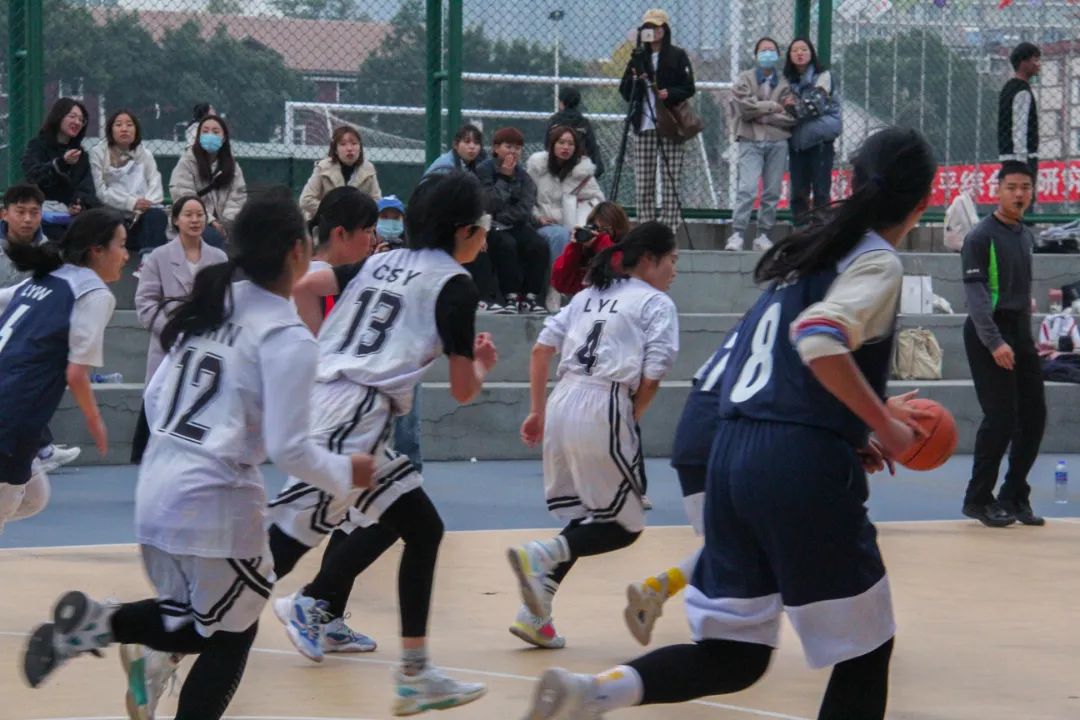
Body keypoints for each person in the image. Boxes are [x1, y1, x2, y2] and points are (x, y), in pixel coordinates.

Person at [521, 127, 937, 720]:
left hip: (733, 453)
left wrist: (848, 428)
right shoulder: (874, 259)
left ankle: (594, 692)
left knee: (734, 656)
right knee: (866, 651)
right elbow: (817, 338)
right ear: (925, 200)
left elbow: (772, 366)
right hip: (797, 461)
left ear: (851, 180)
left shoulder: (808, 255)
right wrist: (884, 426)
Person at [21, 189, 377, 720]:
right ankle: (98, 624)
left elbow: (156, 396)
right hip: (214, 501)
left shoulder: (210, 307)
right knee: (231, 633)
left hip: (156, 491)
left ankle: (94, 625)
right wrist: (348, 471)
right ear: (297, 252)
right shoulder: (287, 336)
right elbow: (290, 451)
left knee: (198, 623)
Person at [266, 171, 495, 715]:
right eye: (483, 226)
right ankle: (171, 637)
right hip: (354, 415)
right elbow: (463, 391)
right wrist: (483, 363)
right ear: (464, 231)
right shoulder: (455, 285)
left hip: (337, 402)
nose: (486, 236)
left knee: (422, 527)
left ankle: (414, 673)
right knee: (277, 551)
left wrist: (324, 351)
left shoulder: (379, 261)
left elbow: (304, 285)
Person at [506, 221, 679, 650]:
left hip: (563, 400)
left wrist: (537, 411)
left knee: (587, 514)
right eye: (673, 260)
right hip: (605, 402)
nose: (675, 270)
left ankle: (535, 614)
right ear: (651, 260)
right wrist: (627, 417)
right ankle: (540, 555)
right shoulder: (656, 303)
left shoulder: (587, 295)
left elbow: (540, 350)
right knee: (625, 525)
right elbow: (653, 375)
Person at [0, 208, 127, 534]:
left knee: (34, 496)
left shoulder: (48, 276)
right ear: (97, 250)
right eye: (121, 245)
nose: (126, 255)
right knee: (11, 499)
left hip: (13, 410)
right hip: (12, 414)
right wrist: (95, 421)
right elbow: (76, 374)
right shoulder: (94, 294)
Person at [961, 161, 1046, 528]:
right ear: (997, 190)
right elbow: (977, 297)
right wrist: (995, 341)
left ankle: (1013, 494)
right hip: (988, 332)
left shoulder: (1025, 235)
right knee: (1001, 418)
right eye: (1011, 187)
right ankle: (978, 499)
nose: (1019, 194)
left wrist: (1025, 330)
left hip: (1019, 331)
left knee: (1034, 416)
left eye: (1025, 187)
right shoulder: (980, 237)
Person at [130, 195, 228, 464]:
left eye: (199, 214)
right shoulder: (159, 257)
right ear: (175, 219)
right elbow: (145, 303)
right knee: (162, 403)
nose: (195, 220)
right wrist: (173, 329)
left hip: (206, 345)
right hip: (168, 346)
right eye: (188, 214)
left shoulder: (218, 257)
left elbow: (226, 301)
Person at [0, 184, 82, 472]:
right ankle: (41, 449)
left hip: (29, 336)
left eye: (34, 213)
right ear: (4, 214)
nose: (27, 219)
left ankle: (39, 449)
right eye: (20, 211)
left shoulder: (50, 252)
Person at [619, 8, 695, 231]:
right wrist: (637, 80)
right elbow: (624, 90)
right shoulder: (638, 57)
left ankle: (669, 229)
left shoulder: (677, 55)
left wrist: (669, 93)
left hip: (671, 123)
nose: (652, 32)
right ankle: (646, 229)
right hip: (644, 124)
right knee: (644, 183)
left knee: (671, 181)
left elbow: (689, 87)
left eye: (656, 27)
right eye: (648, 27)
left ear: (665, 29)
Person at [726, 37, 795, 252]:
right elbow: (744, 109)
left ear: (778, 55)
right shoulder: (744, 79)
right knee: (747, 188)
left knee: (772, 191)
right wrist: (773, 107)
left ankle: (764, 234)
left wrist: (760, 112)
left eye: (771, 50)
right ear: (756, 55)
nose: (767, 54)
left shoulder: (785, 83)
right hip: (750, 140)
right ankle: (738, 233)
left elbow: (791, 116)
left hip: (777, 141)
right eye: (763, 50)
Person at [475, 126, 550, 314]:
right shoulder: (483, 171)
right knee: (506, 244)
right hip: (488, 226)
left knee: (539, 245)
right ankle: (510, 296)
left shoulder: (524, 176)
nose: (513, 152)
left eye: (517, 148)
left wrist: (503, 216)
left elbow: (525, 207)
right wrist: (503, 178)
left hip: (514, 224)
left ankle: (531, 297)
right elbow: (488, 202)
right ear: (496, 148)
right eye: (508, 147)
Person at [89, 109, 168, 264]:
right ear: (110, 130)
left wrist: (146, 203)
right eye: (118, 125)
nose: (124, 129)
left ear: (136, 130)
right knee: (112, 219)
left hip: (140, 215)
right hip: (113, 214)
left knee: (157, 216)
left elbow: (155, 182)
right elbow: (101, 192)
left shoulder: (145, 154)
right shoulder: (98, 153)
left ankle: (149, 263)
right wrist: (132, 203)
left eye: (129, 125)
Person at [21, 98, 100, 240]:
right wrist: (61, 163)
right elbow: (33, 175)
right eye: (72, 116)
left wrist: (78, 203)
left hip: (73, 216)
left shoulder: (81, 154)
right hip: (44, 214)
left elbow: (87, 188)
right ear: (58, 117)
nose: (77, 122)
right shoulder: (37, 146)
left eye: (81, 120)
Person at [526, 124, 604, 266]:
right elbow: (526, 198)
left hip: (575, 225)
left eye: (570, 144)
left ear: (576, 148)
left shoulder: (583, 172)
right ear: (552, 144)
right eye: (561, 142)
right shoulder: (538, 167)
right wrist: (538, 217)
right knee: (560, 235)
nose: (566, 147)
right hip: (543, 225)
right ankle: (558, 278)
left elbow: (598, 200)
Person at [783, 38, 841, 225]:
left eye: (804, 49)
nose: (799, 53)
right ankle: (800, 230)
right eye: (795, 50)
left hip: (820, 141)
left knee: (821, 191)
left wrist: (791, 108)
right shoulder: (786, 81)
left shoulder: (824, 76)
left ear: (811, 53)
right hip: (797, 144)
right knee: (798, 193)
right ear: (789, 56)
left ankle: (820, 232)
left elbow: (815, 105)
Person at [169, 114, 247, 249]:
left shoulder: (233, 167)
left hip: (227, 224)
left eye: (215, 132)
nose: (210, 135)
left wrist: (226, 224)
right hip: (195, 221)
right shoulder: (187, 162)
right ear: (198, 136)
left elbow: (237, 199)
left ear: (224, 138)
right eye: (205, 131)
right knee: (212, 236)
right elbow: (183, 196)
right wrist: (211, 221)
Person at [300, 125, 382, 221]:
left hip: (357, 223)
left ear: (360, 148)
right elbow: (306, 200)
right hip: (325, 223)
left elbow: (377, 202)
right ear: (335, 149)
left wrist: (358, 214)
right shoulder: (323, 167)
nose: (349, 148)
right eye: (343, 144)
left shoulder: (368, 169)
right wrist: (334, 212)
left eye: (354, 143)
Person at [550, 201, 631, 295]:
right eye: (595, 228)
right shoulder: (586, 252)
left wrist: (600, 242)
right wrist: (575, 248)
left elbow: (618, 269)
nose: (599, 234)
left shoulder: (629, 251)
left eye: (604, 229)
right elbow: (561, 284)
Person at [998, 42, 1041, 209]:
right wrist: (1022, 163)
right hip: (1021, 157)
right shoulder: (1022, 90)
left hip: (1009, 155)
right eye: (1035, 60)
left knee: (1011, 204)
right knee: (1023, 204)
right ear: (1023, 62)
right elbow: (1019, 127)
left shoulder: (1008, 87)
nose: (1038, 65)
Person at [546, 87, 606, 179]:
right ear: (577, 103)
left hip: (556, 169)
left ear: (561, 102)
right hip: (580, 169)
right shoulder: (583, 122)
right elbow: (592, 148)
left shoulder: (554, 121)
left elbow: (547, 145)